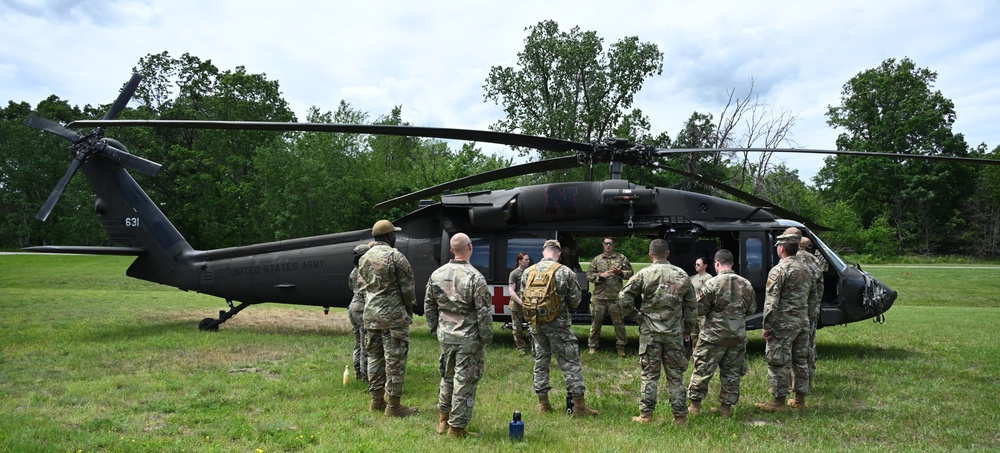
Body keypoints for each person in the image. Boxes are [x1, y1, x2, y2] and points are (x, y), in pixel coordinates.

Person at [617, 239, 697, 426]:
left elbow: (623, 297)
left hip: (650, 333)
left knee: (650, 375)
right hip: (674, 333)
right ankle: (680, 417)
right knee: (675, 376)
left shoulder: (644, 274)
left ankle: (646, 415)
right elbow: (692, 306)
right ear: (667, 254)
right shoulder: (682, 275)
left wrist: (636, 316)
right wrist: (687, 329)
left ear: (650, 255)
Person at [425, 233, 494, 438]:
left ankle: (443, 420)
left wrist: (435, 328)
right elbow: (483, 313)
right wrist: (486, 337)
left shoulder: (437, 274)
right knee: (465, 381)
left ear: (451, 250)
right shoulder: (475, 277)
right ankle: (456, 428)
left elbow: (429, 305)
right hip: (468, 338)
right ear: (470, 247)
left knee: (447, 377)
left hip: (446, 335)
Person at [520, 239, 598, 417]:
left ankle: (544, 404)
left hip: (536, 324)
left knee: (541, 362)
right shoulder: (564, 271)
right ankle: (579, 407)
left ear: (543, 252)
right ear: (559, 254)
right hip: (559, 325)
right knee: (570, 362)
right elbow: (575, 300)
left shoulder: (528, 272)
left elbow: (524, 296)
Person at [359, 219, 419, 417]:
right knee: (395, 360)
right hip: (393, 318)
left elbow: (362, 286)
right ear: (391, 236)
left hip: (371, 316)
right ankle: (393, 406)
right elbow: (408, 289)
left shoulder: (364, 257)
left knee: (374, 358)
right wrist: (409, 310)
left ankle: (376, 401)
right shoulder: (396, 257)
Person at [686, 249, 756, 418]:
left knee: (703, 370)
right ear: (732, 264)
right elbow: (752, 309)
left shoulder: (711, 284)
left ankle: (695, 406)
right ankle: (725, 409)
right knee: (732, 374)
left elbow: (700, 309)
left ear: (717, 263)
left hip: (713, 336)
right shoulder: (746, 284)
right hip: (736, 336)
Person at [755, 233, 811, 413]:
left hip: (783, 323)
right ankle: (799, 400)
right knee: (800, 361)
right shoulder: (806, 268)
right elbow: (812, 295)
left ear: (781, 248)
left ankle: (778, 402)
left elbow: (771, 301)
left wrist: (767, 326)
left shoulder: (779, 270)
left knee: (778, 361)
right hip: (802, 321)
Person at [586, 237, 634, 357]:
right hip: (599, 297)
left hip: (615, 297)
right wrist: (600, 275)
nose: (608, 245)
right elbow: (589, 275)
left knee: (619, 324)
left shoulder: (621, 258)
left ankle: (621, 347)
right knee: (596, 324)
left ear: (614, 245)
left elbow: (631, 273)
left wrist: (620, 273)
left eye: (610, 243)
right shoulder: (597, 259)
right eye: (606, 243)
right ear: (603, 245)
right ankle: (593, 346)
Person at [348, 243, 371, 383]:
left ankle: (357, 371)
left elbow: (351, 287)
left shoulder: (353, 271)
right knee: (365, 344)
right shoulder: (366, 271)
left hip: (353, 307)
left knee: (358, 342)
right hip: (362, 308)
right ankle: (365, 376)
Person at [507, 252, 532, 354]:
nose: (528, 261)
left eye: (528, 259)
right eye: (526, 259)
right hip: (517, 304)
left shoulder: (530, 272)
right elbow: (511, 291)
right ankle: (521, 347)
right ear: (520, 261)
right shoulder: (514, 274)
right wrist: (521, 302)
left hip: (529, 303)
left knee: (533, 325)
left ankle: (534, 345)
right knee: (517, 327)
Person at [688, 257, 714, 348]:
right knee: (693, 334)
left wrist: (696, 298)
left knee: (703, 334)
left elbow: (706, 291)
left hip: (703, 311)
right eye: (695, 264)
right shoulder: (693, 278)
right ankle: (694, 351)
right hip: (694, 311)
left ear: (705, 266)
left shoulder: (708, 277)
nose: (696, 266)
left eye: (698, 264)